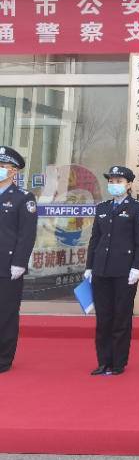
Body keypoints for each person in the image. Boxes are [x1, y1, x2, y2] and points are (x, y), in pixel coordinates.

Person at [83, 165, 139, 376]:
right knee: (103, 318)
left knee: (121, 317)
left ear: (129, 184)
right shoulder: (102, 207)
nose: (114, 185)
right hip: (101, 270)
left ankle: (119, 362)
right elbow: (95, 239)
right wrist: (89, 266)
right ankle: (104, 361)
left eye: (118, 181)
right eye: (111, 181)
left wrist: (136, 268)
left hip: (124, 271)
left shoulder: (138, 208)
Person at [0, 146, 37, 374]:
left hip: (8, 265)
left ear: (14, 171)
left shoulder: (23, 198)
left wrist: (20, 263)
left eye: (3, 167)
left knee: (5, 313)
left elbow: (27, 234)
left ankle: (3, 359)